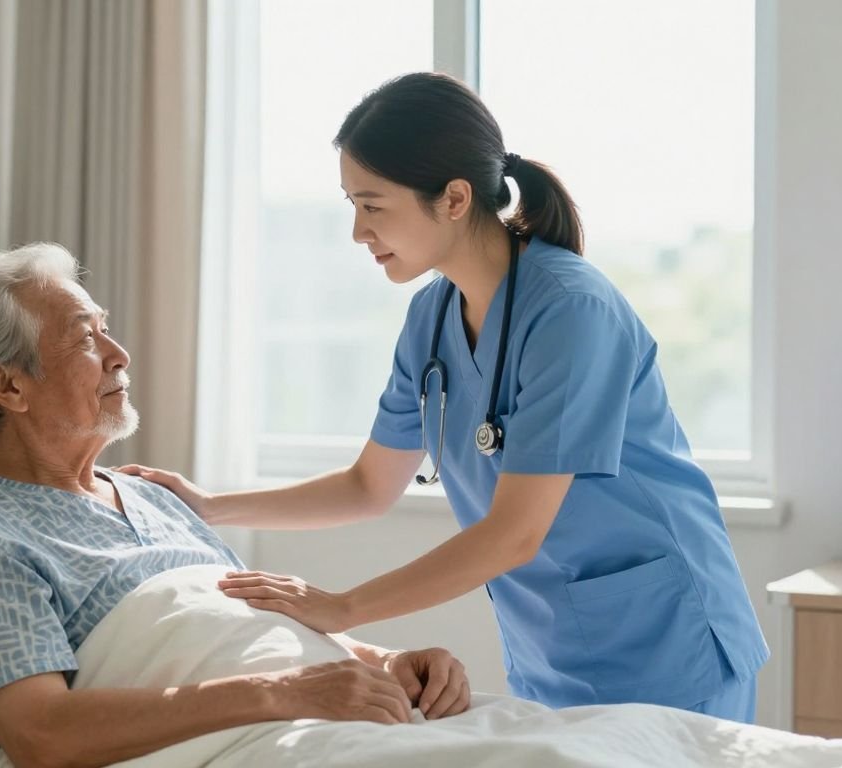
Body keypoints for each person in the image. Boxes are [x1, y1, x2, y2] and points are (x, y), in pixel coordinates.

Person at [120, 72, 769, 723]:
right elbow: (369, 485)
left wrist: (341, 608)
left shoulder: (573, 312)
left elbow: (515, 532)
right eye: (351, 204)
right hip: (555, 651)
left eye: (373, 206)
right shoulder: (430, 319)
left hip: (666, 644)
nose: (357, 231)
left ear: (455, 198)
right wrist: (209, 507)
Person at [0, 243, 471, 766]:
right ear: (8, 386)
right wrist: (286, 692)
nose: (119, 355)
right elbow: (42, 735)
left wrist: (386, 661)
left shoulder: (155, 499)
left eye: (106, 330)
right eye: (84, 338)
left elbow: (254, 630)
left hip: (328, 719)